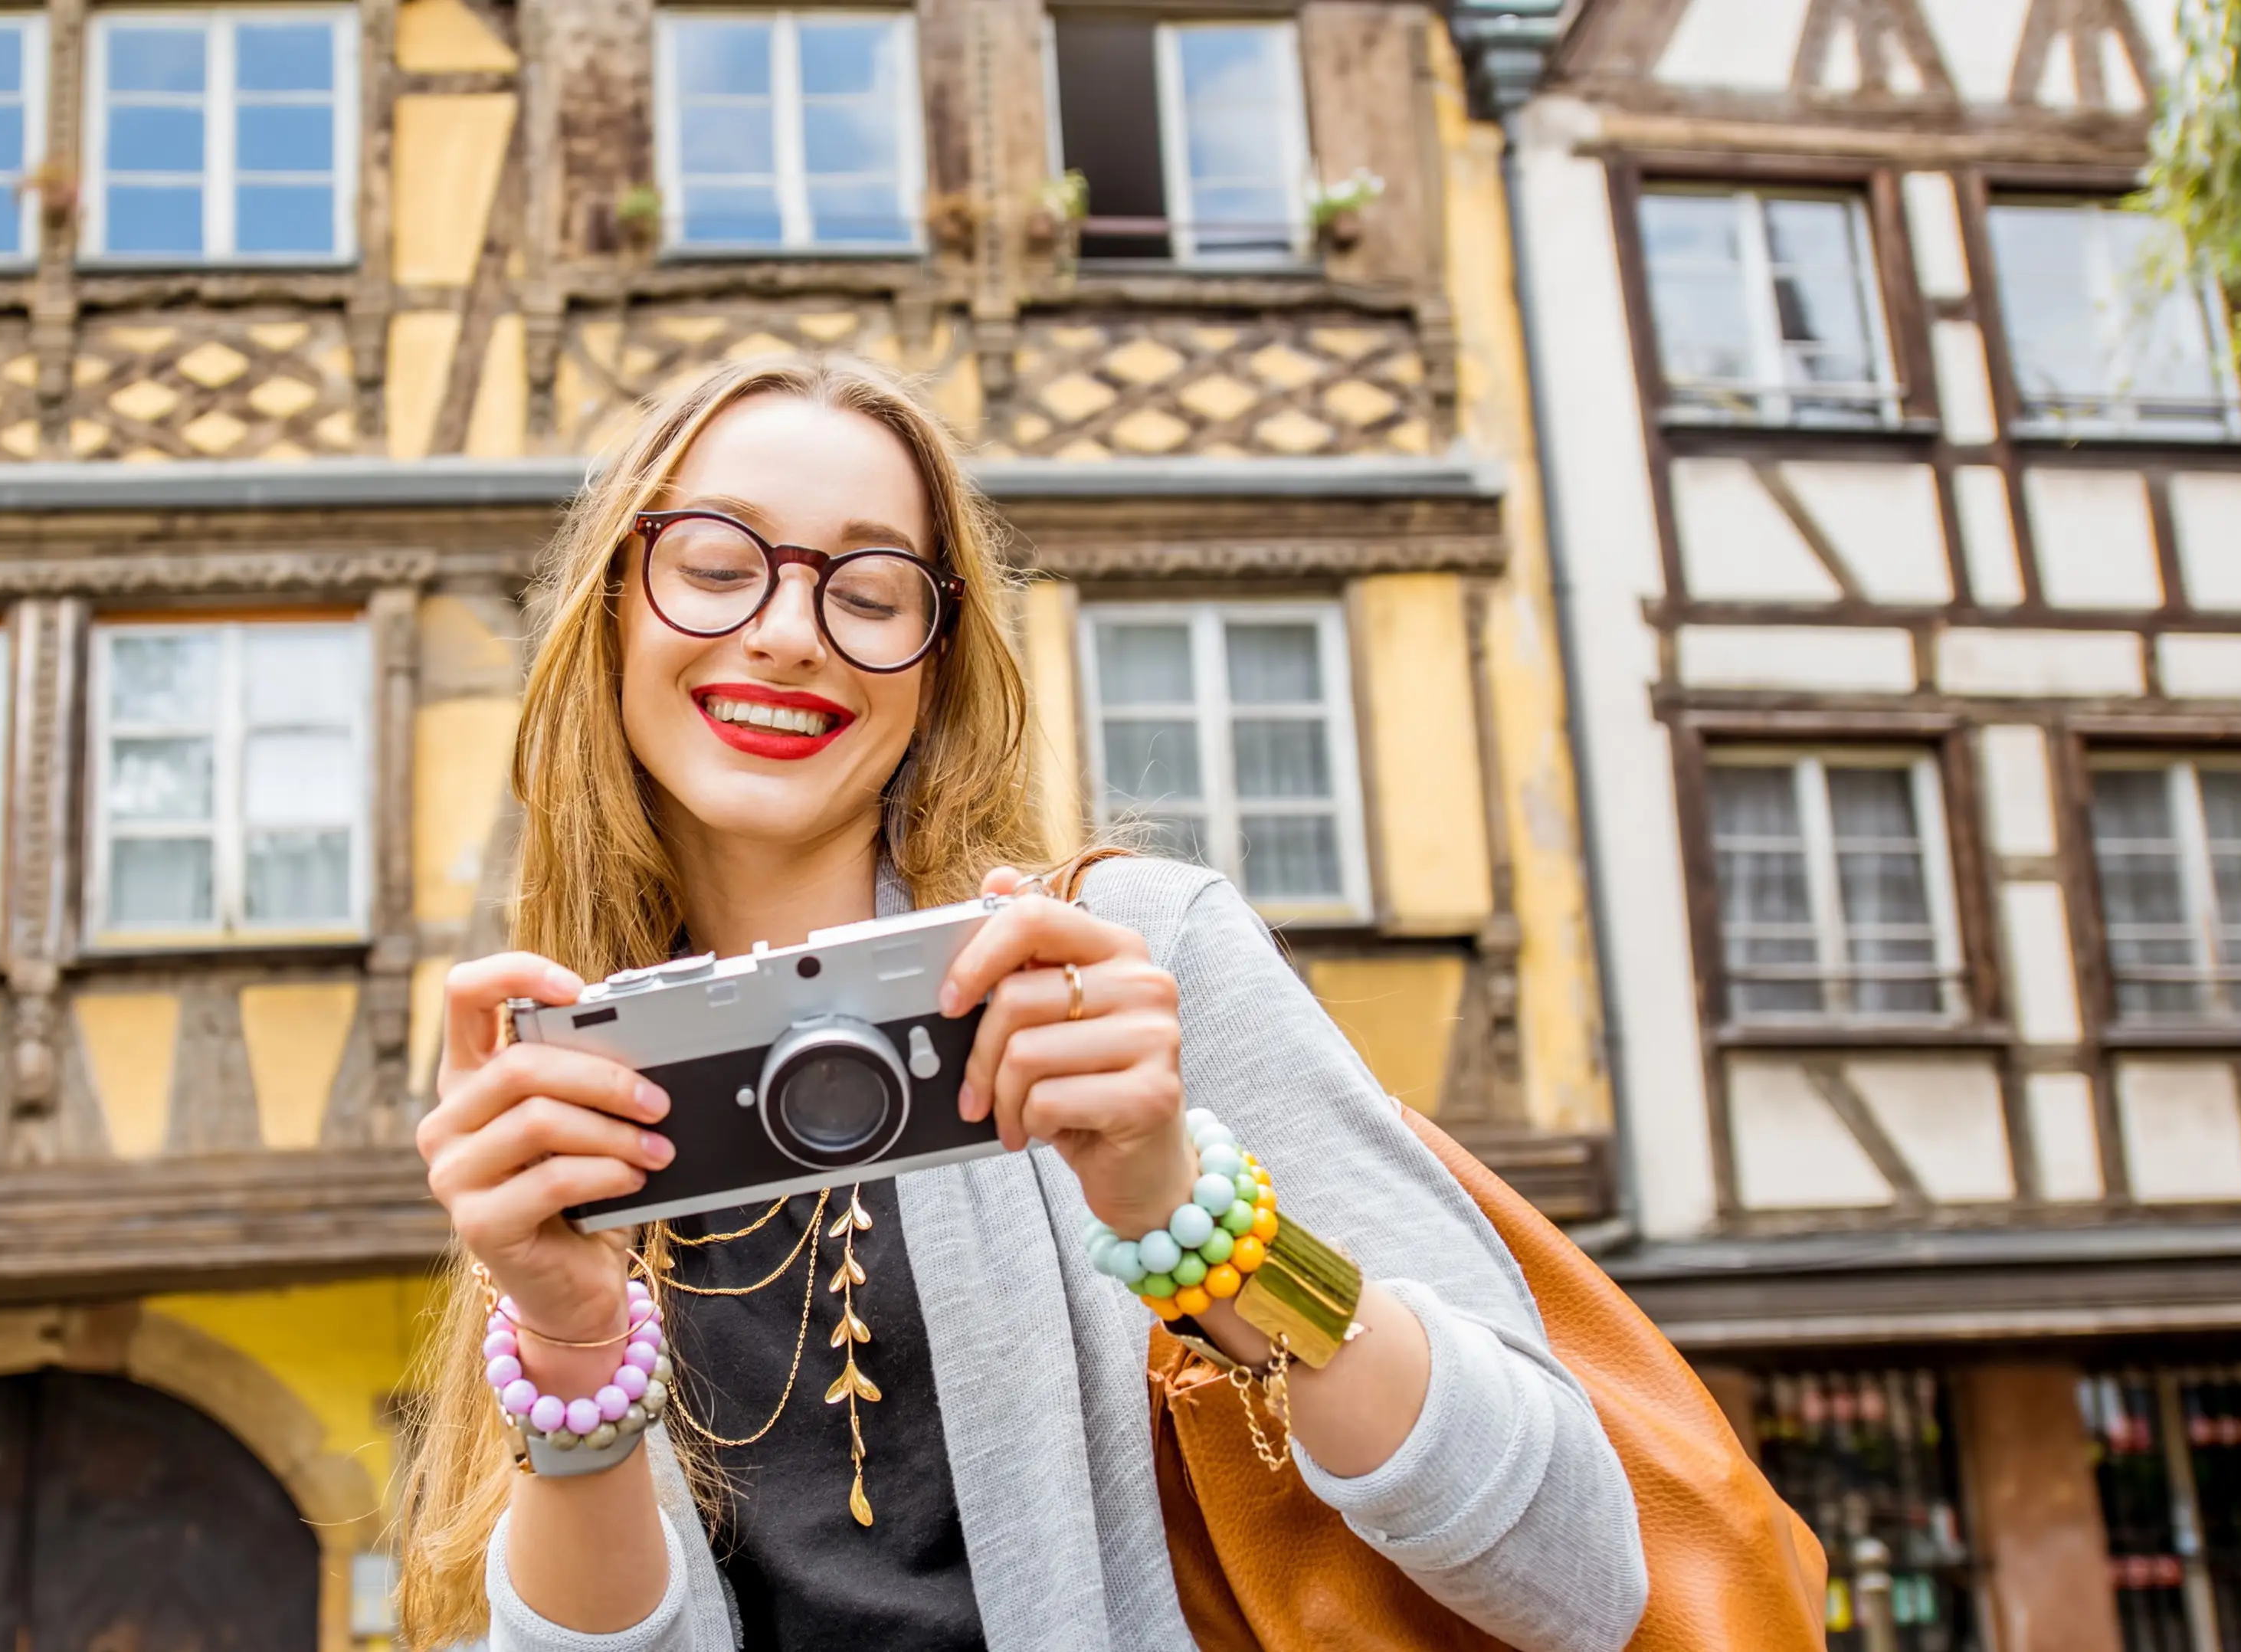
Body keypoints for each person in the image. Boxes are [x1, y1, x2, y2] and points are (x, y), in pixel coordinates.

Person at [386, 355, 1650, 1652]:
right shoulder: (575, 1094)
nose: (786, 631)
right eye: (714, 565)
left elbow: (1582, 1573)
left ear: (936, 661)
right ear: (612, 610)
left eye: (872, 592)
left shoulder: (1122, 970)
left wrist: (1195, 1221)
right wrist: (571, 1347)